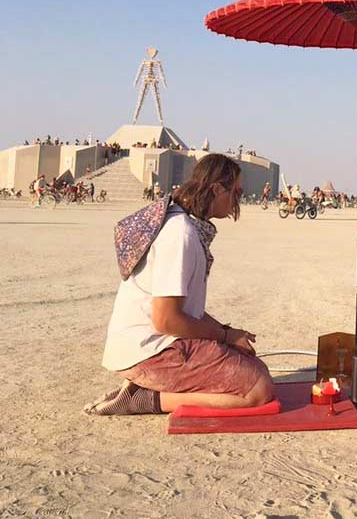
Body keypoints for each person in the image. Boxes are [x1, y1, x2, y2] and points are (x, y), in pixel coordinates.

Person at [84, 154, 274, 416]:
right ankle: (144, 399)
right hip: (151, 350)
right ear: (217, 189)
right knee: (257, 390)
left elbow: (185, 311)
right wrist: (226, 337)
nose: (237, 200)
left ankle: (147, 390)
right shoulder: (180, 234)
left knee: (256, 368)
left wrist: (229, 333)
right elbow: (166, 320)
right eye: (237, 192)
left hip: (159, 342)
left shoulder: (185, 226)